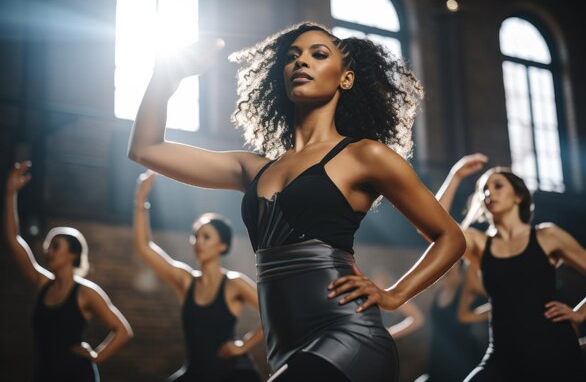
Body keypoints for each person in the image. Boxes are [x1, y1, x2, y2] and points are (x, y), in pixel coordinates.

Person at [128, 21, 466, 382]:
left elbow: (451, 238)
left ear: (345, 79)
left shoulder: (366, 155)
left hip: (348, 335)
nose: (301, 62)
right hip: (284, 345)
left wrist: (395, 295)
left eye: (318, 55)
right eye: (292, 57)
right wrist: (166, 75)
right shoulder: (251, 169)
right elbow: (146, 148)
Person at [436, 153, 586, 382]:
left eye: (498, 186)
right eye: (484, 190)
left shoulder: (548, 236)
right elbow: (435, 227)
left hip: (554, 350)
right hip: (502, 355)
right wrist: (456, 175)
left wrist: (581, 312)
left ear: (518, 196)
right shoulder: (479, 243)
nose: (489, 193)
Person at [4, 161, 133, 382]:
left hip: (77, 375)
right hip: (44, 374)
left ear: (73, 254)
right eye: (47, 246)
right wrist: (9, 194)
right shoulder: (43, 283)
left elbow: (123, 331)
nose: (48, 251)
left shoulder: (86, 293)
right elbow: (13, 240)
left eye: (55, 246)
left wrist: (97, 355)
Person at [133, 170, 263, 382]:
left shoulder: (233, 283)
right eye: (195, 236)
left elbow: (272, 312)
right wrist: (140, 199)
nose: (198, 242)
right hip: (196, 372)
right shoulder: (185, 281)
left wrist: (244, 345)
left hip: (233, 373)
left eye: (206, 237)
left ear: (223, 245)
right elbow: (144, 247)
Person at [414, 260, 489, 382]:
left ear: (460, 268)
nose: (446, 271)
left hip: (461, 357)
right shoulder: (439, 292)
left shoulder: (467, 293)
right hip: (438, 356)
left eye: (451, 267)